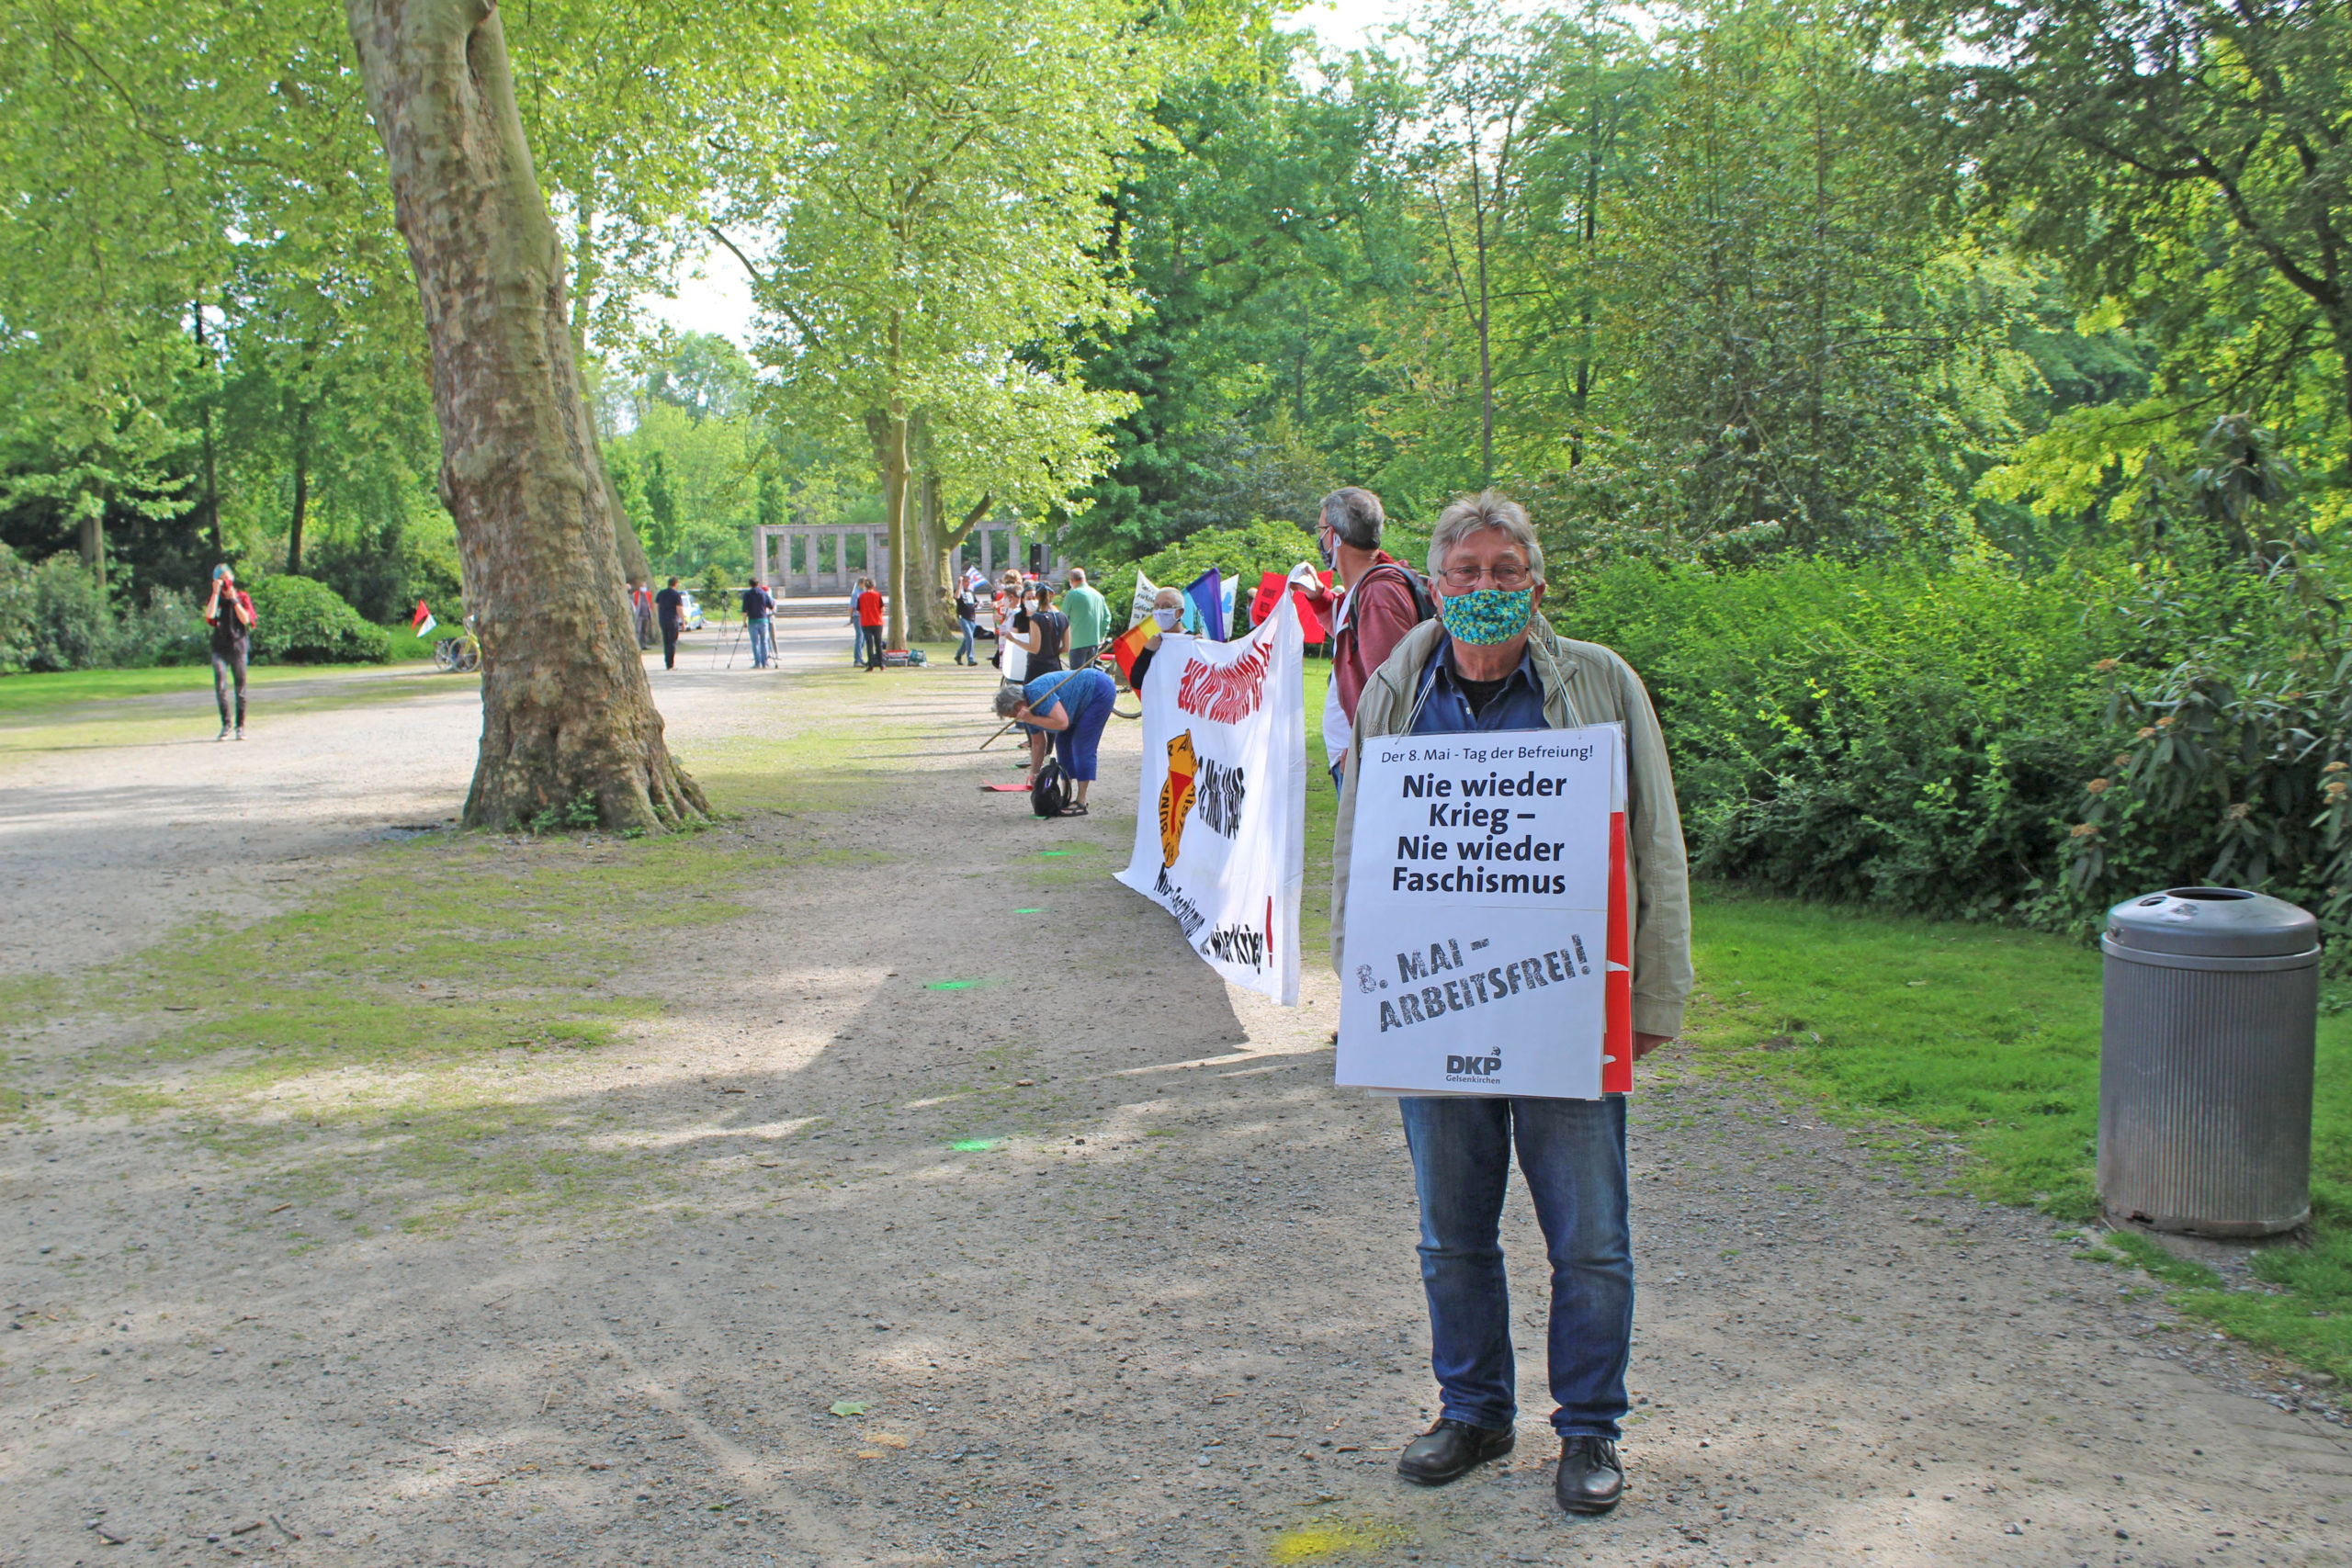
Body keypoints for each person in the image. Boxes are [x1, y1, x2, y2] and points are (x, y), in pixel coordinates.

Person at [1329, 491, 1692, 1518]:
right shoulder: (1396, 687)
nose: (1484, 587)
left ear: (1536, 580)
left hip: (1566, 1009)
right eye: (1465, 571)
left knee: (1588, 1237)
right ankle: (1475, 1411)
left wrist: (1653, 992)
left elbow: (1654, 845)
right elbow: (1361, 851)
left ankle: (1589, 1430)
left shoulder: (1600, 683)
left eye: (1503, 569)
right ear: (1433, 583)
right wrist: (1362, 988)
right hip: (1435, 1007)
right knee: (1451, 1232)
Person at [1317, 486, 1430, 786]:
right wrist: (1319, 599)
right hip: (1359, 757)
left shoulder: (1378, 593)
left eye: (1320, 529)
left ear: (1333, 535)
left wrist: (1367, 749)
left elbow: (1391, 689)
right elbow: (1352, 640)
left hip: (1367, 764)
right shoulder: (1369, 587)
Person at [995, 666, 1116, 814]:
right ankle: (1066, 795)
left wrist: (1032, 719)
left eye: (1012, 715)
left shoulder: (1037, 693)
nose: (1015, 719)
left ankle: (1081, 801)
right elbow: (1039, 743)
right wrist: (1034, 772)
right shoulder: (1026, 710)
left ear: (1017, 705)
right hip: (1075, 703)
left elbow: (1062, 723)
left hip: (1098, 689)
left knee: (1081, 744)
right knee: (1062, 744)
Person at [202, 565, 254, 739]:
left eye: (228, 578)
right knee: (221, 687)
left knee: (240, 688)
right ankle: (226, 724)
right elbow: (209, 616)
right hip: (219, 648)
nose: (226, 582)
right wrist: (216, 593)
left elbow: (246, 619)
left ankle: (241, 726)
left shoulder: (242, 597)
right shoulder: (215, 600)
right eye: (222, 579)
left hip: (238, 648)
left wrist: (234, 600)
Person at [1124, 587, 1188, 692]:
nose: (1160, 611)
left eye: (1166, 606)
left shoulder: (1191, 640)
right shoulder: (1153, 642)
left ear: (1180, 612)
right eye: (1157, 606)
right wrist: (1147, 651)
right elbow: (1136, 681)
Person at [1010, 583, 1068, 675]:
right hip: (1055, 666)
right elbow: (1066, 648)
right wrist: (1053, 653)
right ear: (1052, 595)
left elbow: (1034, 648)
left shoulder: (1036, 618)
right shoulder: (1063, 617)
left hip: (1037, 667)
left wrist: (1013, 639)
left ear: (1037, 597)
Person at [1061, 566, 1110, 672]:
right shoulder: (1098, 595)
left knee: (1076, 676)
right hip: (1094, 641)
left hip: (1077, 641)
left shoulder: (1072, 595)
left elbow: (1063, 618)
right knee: (1089, 674)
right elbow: (1107, 617)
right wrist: (1102, 635)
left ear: (1071, 581)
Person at [741, 576, 775, 668]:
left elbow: (744, 611)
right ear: (758, 584)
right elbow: (771, 606)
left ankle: (757, 663)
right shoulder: (764, 594)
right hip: (763, 620)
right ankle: (765, 662)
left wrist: (744, 622)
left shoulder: (747, 595)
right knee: (764, 642)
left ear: (750, 584)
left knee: (755, 642)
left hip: (752, 621)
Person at [654, 576, 686, 669]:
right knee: (672, 642)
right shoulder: (676, 595)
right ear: (676, 584)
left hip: (663, 620)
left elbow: (656, 606)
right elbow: (679, 609)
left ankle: (667, 662)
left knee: (666, 641)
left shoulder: (661, 593)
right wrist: (683, 622)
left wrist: (659, 615)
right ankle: (670, 664)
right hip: (672, 620)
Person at [855, 576, 886, 670]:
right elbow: (882, 609)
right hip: (877, 622)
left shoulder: (861, 596)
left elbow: (858, 610)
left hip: (866, 623)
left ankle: (871, 665)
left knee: (869, 644)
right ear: (874, 586)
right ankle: (881, 664)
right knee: (878, 643)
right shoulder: (878, 595)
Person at [953, 582, 979, 665]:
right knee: (969, 638)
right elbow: (956, 597)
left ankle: (958, 655)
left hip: (972, 618)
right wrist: (960, 583)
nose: (968, 584)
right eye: (966, 582)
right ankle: (970, 659)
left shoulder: (971, 593)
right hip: (963, 618)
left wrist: (977, 605)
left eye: (969, 582)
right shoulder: (959, 592)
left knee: (967, 639)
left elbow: (973, 604)